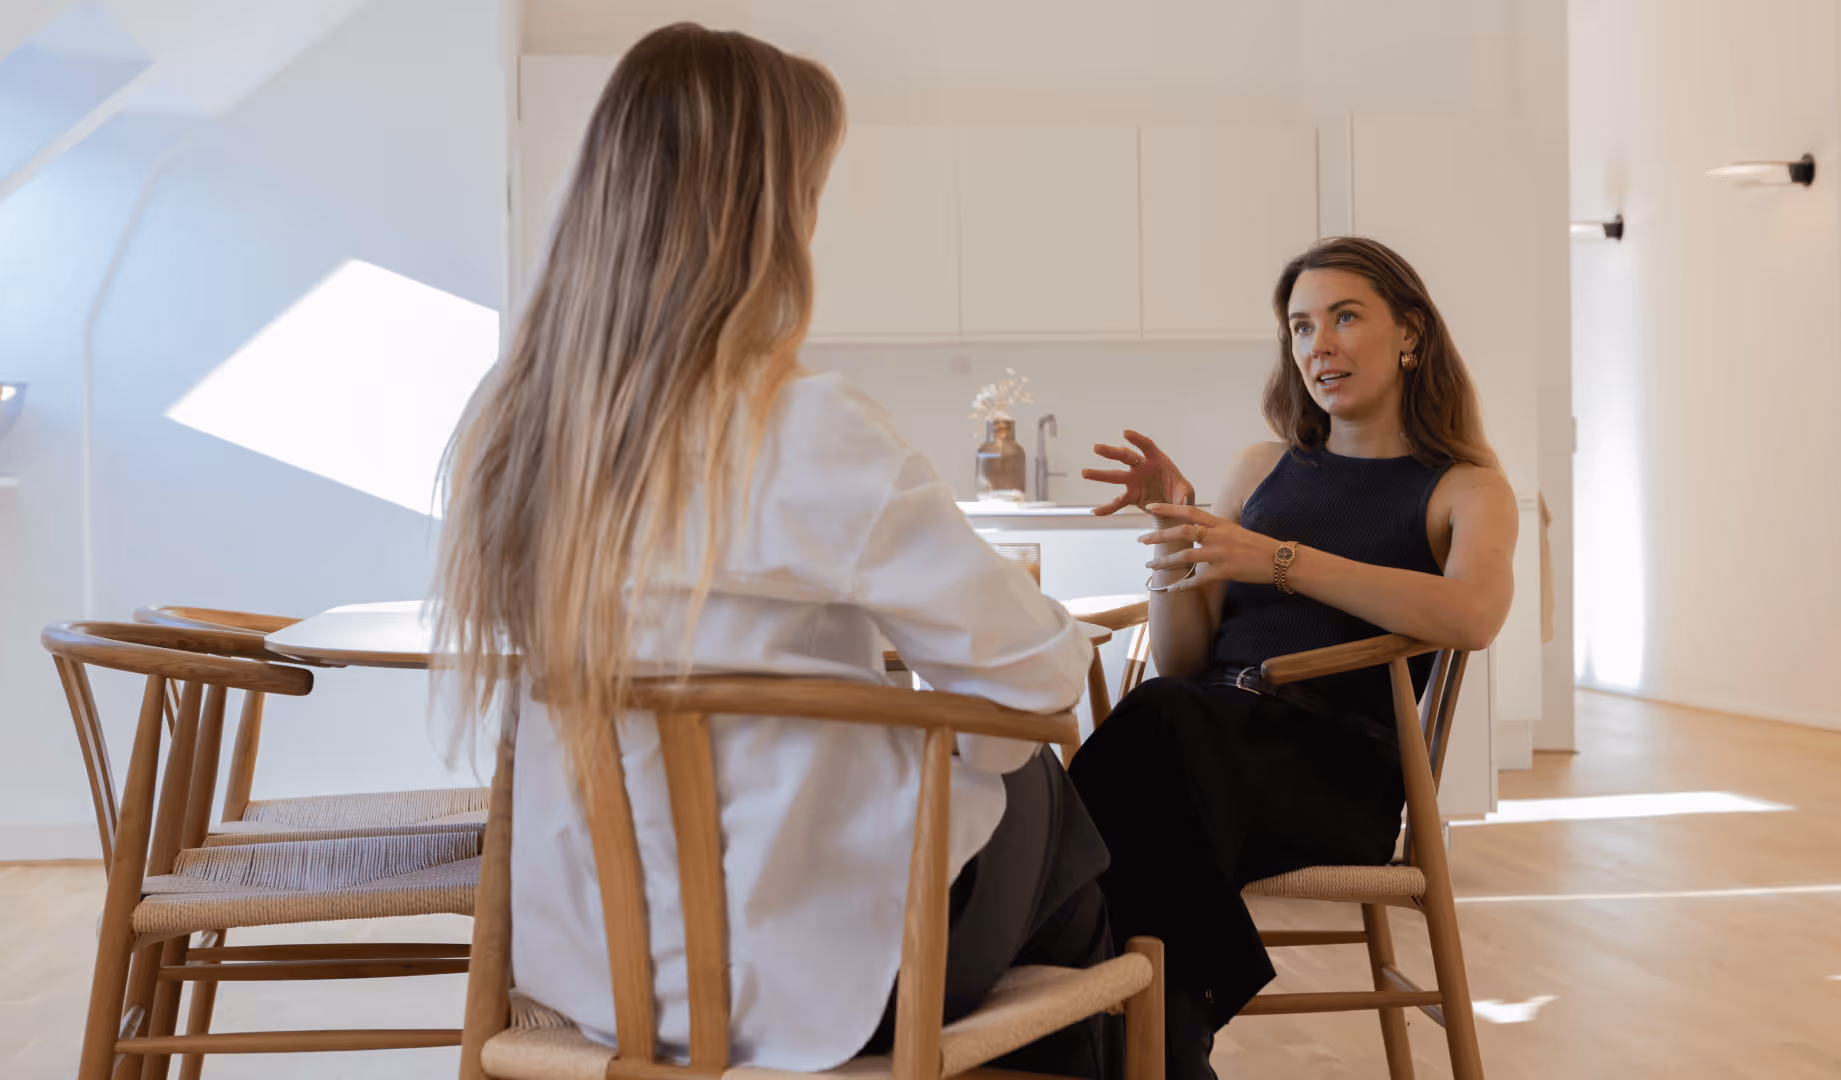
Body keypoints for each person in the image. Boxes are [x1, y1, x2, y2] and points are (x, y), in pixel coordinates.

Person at [432, 24, 1118, 1077]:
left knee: (1043, 841)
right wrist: (939, 735)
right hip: (820, 986)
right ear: (758, 215)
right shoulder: (804, 424)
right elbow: (1043, 678)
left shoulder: (513, 433)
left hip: (603, 982)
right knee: (1058, 821)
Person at [1069, 236, 1518, 1080]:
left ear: (1411, 334)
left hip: (1335, 773)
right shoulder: (1260, 468)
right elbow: (1181, 661)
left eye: (1345, 317)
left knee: (1131, 770)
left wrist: (1278, 559)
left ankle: (1124, 1022)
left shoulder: (1463, 487)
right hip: (1205, 743)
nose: (1320, 345)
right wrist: (1178, 529)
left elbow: (1475, 615)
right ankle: (1162, 1038)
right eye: (1302, 327)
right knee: (1162, 735)